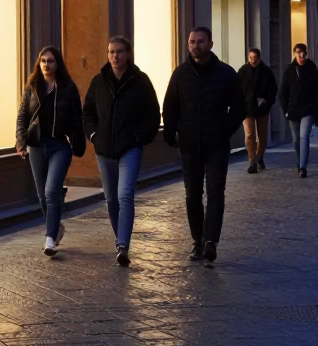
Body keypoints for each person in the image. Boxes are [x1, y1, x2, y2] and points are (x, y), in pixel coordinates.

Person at [163, 26, 245, 264]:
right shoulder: (180, 74)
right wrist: (171, 133)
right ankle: (197, 240)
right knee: (192, 195)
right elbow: (170, 106)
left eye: (200, 41)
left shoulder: (226, 74)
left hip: (216, 144)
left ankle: (211, 241)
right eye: (191, 42)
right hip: (189, 144)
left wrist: (224, 130)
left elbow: (239, 108)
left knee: (216, 191)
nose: (195, 46)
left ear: (210, 44)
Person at [82, 36, 160, 266]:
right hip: (104, 148)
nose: (115, 56)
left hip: (130, 147)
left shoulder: (140, 81)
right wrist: (94, 136)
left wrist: (140, 137)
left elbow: (153, 114)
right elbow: (87, 113)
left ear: (128, 53)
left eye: (119, 52)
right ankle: (120, 239)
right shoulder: (99, 81)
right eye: (111, 52)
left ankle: (123, 245)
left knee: (125, 194)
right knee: (111, 199)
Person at [16, 46, 85, 256]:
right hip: (36, 145)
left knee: (51, 191)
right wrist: (20, 141)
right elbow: (23, 115)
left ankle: (49, 238)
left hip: (59, 146)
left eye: (51, 61)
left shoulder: (67, 88)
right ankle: (56, 228)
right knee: (42, 195)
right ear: (39, 63)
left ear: (57, 64)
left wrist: (78, 142)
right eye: (43, 61)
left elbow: (76, 118)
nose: (46, 65)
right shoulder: (33, 87)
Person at [279, 43, 318, 178]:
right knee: (296, 140)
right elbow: (283, 93)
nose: (301, 55)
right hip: (293, 110)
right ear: (294, 54)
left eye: (303, 53)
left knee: (304, 136)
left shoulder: (312, 68)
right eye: (298, 53)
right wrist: (286, 111)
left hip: (308, 109)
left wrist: (315, 108)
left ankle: (303, 167)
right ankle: (299, 161)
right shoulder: (289, 70)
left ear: (306, 54)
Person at [237, 48, 277, 174]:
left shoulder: (266, 72)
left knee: (262, 135)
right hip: (247, 107)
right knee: (249, 135)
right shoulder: (243, 71)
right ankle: (252, 161)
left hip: (262, 107)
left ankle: (259, 157)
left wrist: (266, 102)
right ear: (248, 58)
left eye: (255, 57)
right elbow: (236, 88)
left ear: (259, 58)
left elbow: (273, 90)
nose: (253, 60)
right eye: (251, 57)